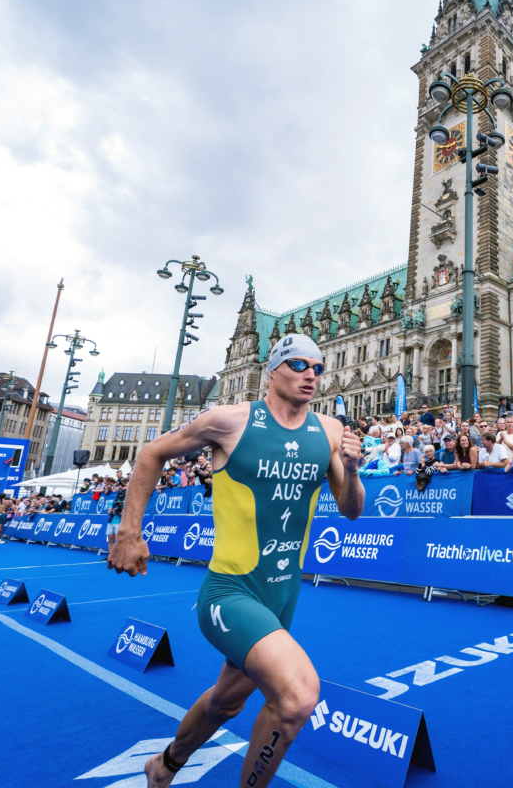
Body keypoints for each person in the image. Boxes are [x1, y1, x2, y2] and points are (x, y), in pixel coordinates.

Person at [107, 333, 364, 788]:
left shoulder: (328, 430)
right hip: (230, 592)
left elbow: (350, 508)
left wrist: (354, 469)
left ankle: (164, 765)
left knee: (225, 703)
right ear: (273, 370)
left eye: (319, 368)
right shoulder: (230, 421)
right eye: (300, 365)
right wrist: (130, 530)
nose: (311, 376)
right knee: (297, 697)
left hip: (282, 597)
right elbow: (152, 453)